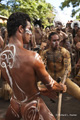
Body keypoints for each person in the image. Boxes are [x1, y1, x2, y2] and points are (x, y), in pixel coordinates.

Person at [0, 12, 66, 120]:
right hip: (32, 106)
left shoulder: (2, 56)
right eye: (29, 29)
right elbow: (51, 85)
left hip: (15, 105)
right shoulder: (33, 57)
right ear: (21, 29)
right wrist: (62, 87)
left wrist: (39, 89)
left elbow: (15, 84)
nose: (31, 33)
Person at [40, 32, 80, 101]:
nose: (57, 42)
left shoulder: (64, 52)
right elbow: (41, 66)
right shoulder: (45, 53)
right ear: (49, 41)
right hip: (50, 80)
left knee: (78, 92)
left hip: (63, 80)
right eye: (54, 41)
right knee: (32, 90)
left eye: (58, 40)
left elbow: (68, 68)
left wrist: (63, 81)